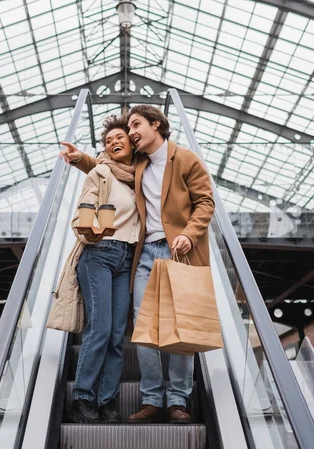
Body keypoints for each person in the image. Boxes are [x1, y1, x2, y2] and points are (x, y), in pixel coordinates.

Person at [60, 105, 215, 423]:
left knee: (179, 327)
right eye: (125, 129)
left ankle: (178, 400)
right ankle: (151, 398)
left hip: (179, 252)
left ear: (156, 124)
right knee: (143, 330)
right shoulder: (139, 163)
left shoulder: (184, 158)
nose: (130, 133)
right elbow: (109, 166)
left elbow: (206, 201)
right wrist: (79, 160)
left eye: (134, 125)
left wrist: (189, 233)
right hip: (142, 254)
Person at [70, 114, 140, 424]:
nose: (113, 142)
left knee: (115, 336)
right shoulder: (100, 173)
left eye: (119, 138)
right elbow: (84, 207)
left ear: (131, 143)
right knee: (98, 328)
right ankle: (83, 398)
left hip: (127, 260)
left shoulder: (141, 177)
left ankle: (108, 401)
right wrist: (88, 229)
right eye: (108, 140)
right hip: (99, 253)